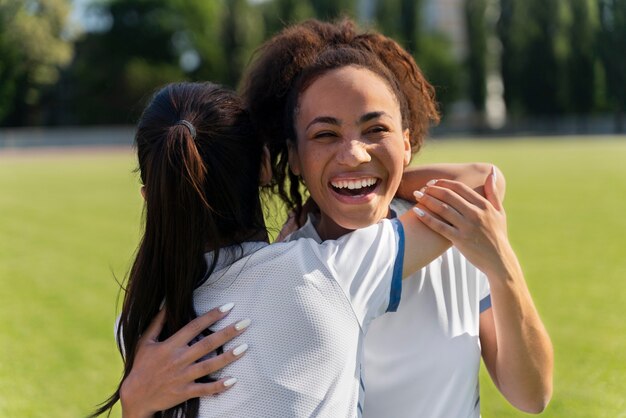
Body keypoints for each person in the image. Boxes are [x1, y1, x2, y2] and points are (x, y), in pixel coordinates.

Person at [116, 19, 553, 417]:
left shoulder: (459, 234)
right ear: (293, 159)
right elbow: (484, 178)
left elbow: (532, 396)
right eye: (325, 135)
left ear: (407, 141)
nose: (353, 154)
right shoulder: (299, 269)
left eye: (375, 131)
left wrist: (503, 267)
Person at [95, 80, 466, 418]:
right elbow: (473, 185)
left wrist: (135, 405)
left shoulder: (137, 324)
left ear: (150, 196)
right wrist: (372, 176)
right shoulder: (325, 272)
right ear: (264, 167)